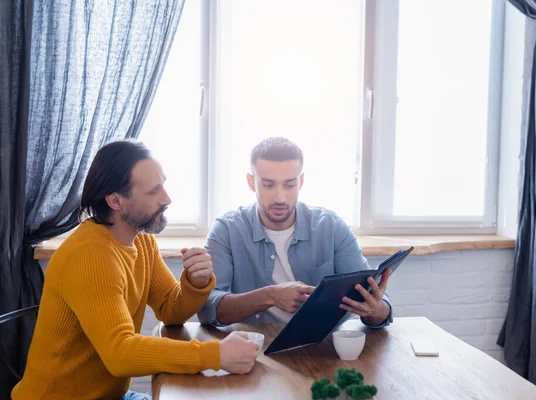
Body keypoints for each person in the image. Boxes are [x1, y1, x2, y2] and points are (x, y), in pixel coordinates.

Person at [12, 141, 258, 400]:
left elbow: (170, 309)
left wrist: (196, 283)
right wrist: (215, 355)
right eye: (154, 191)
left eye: (163, 184)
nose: (167, 199)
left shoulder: (141, 241)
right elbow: (120, 352)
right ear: (116, 201)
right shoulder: (89, 255)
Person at [198, 137, 393, 327]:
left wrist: (375, 310)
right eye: (268, 185)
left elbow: (376, 305)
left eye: (289, 185)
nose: (280, 198)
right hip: (253, 348)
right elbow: (208, 309)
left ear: (300, 182)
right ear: (251, 182)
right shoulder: (226, 230)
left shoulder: (331, 227)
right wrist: (270, 296)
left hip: (320, 348)